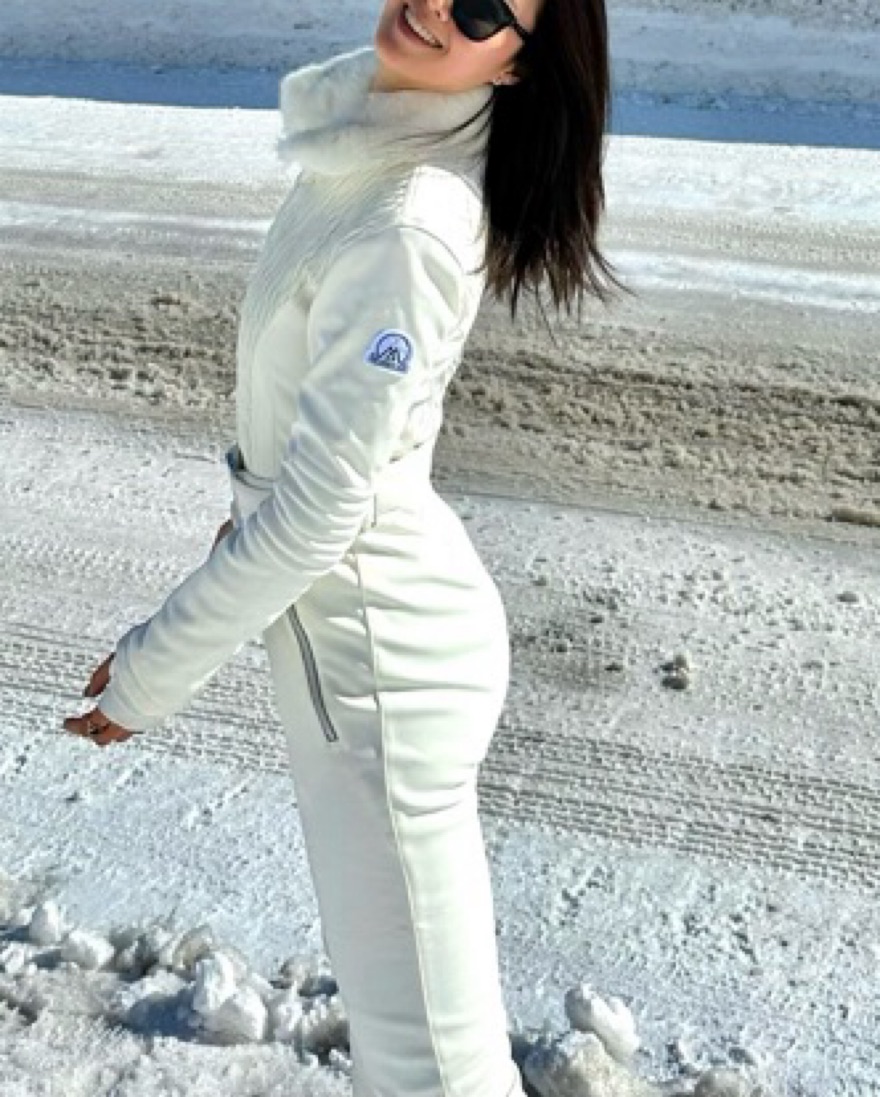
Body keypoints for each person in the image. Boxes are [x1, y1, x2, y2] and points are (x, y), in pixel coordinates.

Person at [63, 0, 619, 1092]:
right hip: (362, 644)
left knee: (432, 1068)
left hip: (385, 680)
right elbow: (321, 446)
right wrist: (251, 507)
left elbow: (322, 511)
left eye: (481, 11)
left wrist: (148, 673)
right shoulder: (366, 150)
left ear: (513, 68)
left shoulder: (408, 220)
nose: (436, 5)